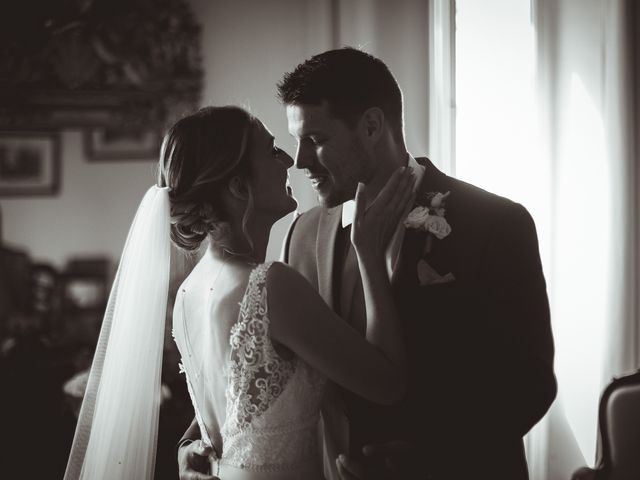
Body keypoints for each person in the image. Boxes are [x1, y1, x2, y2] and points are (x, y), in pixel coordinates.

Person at [178, 48, 557, 480]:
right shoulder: (300, 234)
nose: (299, 161)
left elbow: (528, 384)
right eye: (294, 141)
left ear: (373, 126)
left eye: (315, 140)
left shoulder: (494, 224)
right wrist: (196, 442)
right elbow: (265, 371)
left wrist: (426, 461)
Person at [64, 105, 414, 480]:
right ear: (237, 186)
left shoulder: (188, 293)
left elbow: (236, 412)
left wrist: (186, 446)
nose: (288, 161)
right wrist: (370, 253)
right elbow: (387, 383)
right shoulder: (271, 286)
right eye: (271, 149)